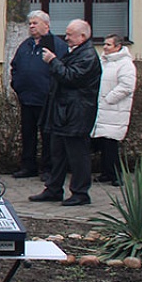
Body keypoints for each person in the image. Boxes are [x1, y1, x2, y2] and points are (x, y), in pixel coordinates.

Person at [30, 19, 102, 207]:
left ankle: (80, 193)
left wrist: (53, 61)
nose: (66, 37)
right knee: (58, 153)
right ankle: (53, 189)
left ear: (83, 36)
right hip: (64, 112)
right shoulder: (77, 52)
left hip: (76, 113)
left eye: (70, 34)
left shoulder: (88, 56)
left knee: (77, 155)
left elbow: (71, 77)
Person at [10, 10, 68, 179]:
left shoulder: (57, 45)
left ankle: (48, 168)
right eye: (30, 24)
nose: (32, 26)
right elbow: (15, 66)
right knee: (28, 134)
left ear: (46, 25)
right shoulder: (25, 45)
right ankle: (28, 166)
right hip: (27, 98)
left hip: (47, 99)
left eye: (35, 23)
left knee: (48, 136)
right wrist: (17, 85)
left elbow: (62, 69)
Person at [90, 34, 136, 187]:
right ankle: (106, 173)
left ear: (118, 46)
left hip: (115, 110)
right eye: (104, 44)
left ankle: (116, 176)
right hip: (103, 110)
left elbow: (127, 86)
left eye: (108, 45)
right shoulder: (105, 61)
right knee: (103, 143)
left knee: (111, 144)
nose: (105, 47)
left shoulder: (125, 64)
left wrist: (108, 98)